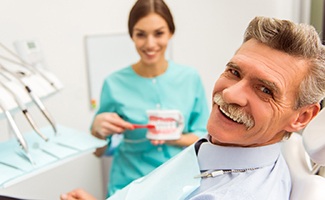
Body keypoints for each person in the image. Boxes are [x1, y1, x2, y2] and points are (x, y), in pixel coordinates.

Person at [61, 16, 325, 200]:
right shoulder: (220, 147)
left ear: (302, 116)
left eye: (265, 89)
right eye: (233, 71)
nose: (230, 93)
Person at [89, 0, 209, 197]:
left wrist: (175, 138)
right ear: (132, 36)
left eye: (159, 33)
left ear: (171, 32)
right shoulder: (114, 83)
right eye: (141, 35)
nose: (150, 44)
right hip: (129, 187)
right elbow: (99, 151)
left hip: (180, 185)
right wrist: (97, 131)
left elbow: (204, 138)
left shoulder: (190, 78)